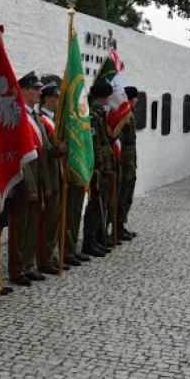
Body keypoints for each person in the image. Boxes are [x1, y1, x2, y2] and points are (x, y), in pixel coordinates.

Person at [8, 72, 50, 285]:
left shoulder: (36, 117)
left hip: (38, 176)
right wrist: (30, 185)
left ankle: (28, 264)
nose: (39, 92)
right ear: (23, 91)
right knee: (20, 227)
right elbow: (18, 153)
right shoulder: (17, 116)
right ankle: (16, 270)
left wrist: (46, 184)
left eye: (39, 89)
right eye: (34, 89)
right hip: (24, 179)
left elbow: (43, 153)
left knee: (33, 225)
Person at [82, 80, 114, 256]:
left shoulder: (100, 114)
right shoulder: (93, 115)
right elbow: (94, 144)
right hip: (98, 168)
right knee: (95, 203)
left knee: (103, 202)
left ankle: (98, 235)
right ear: (104, 97)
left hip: (105, 167)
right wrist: (97, 167)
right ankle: (89, 240)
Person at [37, 83, 65, 275]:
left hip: (58, 174)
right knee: (47, 222)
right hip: (49, 175)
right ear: (47, 98)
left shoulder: (55, 120)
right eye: (56, 97)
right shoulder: (41, 120)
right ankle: (44, 259)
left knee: (55, 220)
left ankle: (50, 255)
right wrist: (59, 149)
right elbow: (44, 151)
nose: (58, 101)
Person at [117, 86, 139, 240]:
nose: (137, 100)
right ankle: (118, 226)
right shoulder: (124, 116)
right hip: (125, 160)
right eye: (135, 98)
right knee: (123, 192)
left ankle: (121, 224)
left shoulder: (129, 114)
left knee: (128, 191)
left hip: (130, 159)